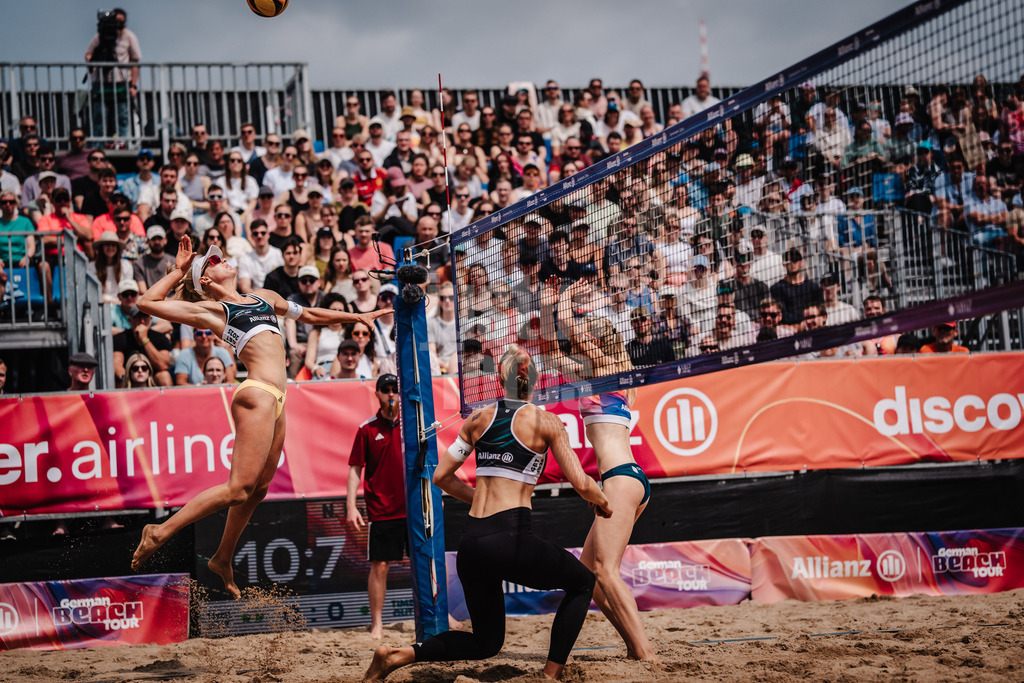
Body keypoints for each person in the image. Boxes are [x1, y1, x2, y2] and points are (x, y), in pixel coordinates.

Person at [130, 236, 388, 597]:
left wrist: (354, 316)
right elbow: (146, 302)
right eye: (215, 261)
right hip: (257, 392)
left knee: (258, 491)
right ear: (205, 279)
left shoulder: (264, 296)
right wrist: (178, 270)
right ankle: (159, 530)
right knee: (238, 488)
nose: (223, 260)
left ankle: (222, 557)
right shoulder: (212, 310)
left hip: (279, 398)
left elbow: (311, 315)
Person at [364, 346, 611, 682]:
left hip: (472, 544)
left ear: (499, 380)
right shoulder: (545, 420)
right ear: (534, 378)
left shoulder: (477, 419)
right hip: (510, 538)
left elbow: (441, 478)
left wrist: (481, 495)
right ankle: (550, 675)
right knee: (583, 583)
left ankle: (398, 655)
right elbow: (582, 483)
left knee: (485, 642)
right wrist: (604, 501)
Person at [552, 279, 659, 662]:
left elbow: (567, 327)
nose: (578, 342)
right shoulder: (600, 375)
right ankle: (634, 648)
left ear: (600, 341)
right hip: (624, 479)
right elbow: (555, 353)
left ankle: (646, 653)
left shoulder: (610, 366)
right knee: (588, 576)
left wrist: (565, 298)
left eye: (587, 336)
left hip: (620, 479)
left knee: (606, 571)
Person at [346, 374, 406, 639]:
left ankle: (442, 614)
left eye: (395, 389)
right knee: (380, 566)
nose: (391, 393)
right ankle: (377, 623)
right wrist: (351, 505)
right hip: (382, 509)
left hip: (413, 507)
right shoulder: (367, 429)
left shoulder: (412, 424)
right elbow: (355, 470)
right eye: (386, 389)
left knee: (427, 562)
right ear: (377, 394)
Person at [84, 8, 141, 139]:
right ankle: (98, 144)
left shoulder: (129, 36)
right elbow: (88, 54)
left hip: (121, 82)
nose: (118, 25)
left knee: (122, 116)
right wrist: (94, 58)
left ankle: (122, 142)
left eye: (122, 22)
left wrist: (133, 85)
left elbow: (135, 62)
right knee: (99, 117)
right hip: (101, 83)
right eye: (116, 21)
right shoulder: (100, 36)